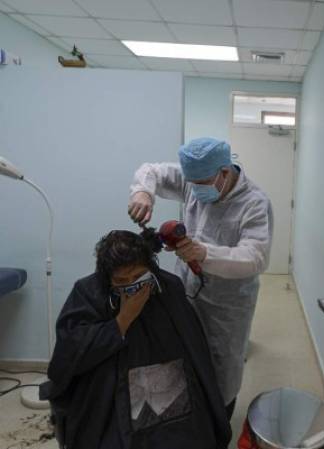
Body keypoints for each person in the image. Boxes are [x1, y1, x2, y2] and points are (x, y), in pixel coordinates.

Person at [40, 230, 231, 449]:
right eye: (122, 281)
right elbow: (70, 353)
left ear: (151, 268)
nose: (132, 285)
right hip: (112, 392)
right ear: (107, 277)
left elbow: (193, 346)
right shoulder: (88, 293)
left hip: (174, 386)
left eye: (139, 276)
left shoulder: (168, 286)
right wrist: (122, 320)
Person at [128, 137, 273, 418]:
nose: (195, 190)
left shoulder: (254, 203)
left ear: (225, 172)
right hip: (188, 288)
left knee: (222, 366)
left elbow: (255, 257)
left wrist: (204, 253)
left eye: (202, 184)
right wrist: (143, 192)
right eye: (191, 184)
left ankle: (219, 420)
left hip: (227, 304)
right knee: (185, 352)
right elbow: (151, 170)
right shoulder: (196, 180)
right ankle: (189, 416)